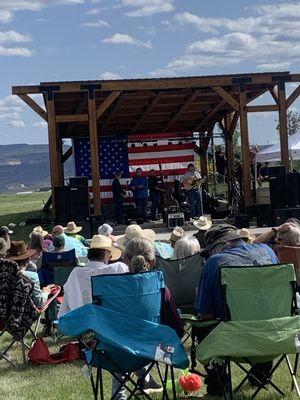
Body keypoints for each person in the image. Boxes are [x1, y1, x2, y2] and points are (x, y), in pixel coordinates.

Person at [195, 224, 278, 395]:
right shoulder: (267, 251)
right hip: (274, 336)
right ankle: (260, 376)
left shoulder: (214, 262)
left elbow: (206, 314)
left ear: (219, 246)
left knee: (201, 327)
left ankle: (218, 386)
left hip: (233, 340)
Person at [109, 237, 184, 399]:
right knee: (134, 343)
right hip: (155, 350)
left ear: (125, 259)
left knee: (121, 342)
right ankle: (145, 378)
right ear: (153, 261)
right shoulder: (160, 287)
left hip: (117, 349)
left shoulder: (111, 288)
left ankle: (119, 395)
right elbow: (176, 327)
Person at [58, 235, 128, 317]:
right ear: (105, 253)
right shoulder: (117, 269)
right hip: (109, 320)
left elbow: (66, 306)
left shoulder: (76, 273)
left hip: (81, 321)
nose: (110, 257)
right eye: (110, 255)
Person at [7, 241, 54, 308]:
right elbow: (40, 303)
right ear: (28, 259)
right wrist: (45, 292)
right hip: (25, 315)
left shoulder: (4, 274)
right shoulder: (32, 276)